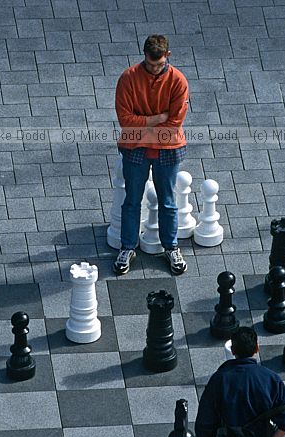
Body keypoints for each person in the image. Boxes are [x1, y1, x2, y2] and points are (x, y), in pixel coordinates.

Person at [112, 35, 190, 277]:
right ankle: (127, 247)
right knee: (132, 200)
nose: (155, 69)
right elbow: (125, 121)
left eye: (159, 64)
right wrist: (157, 119)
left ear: (168, 56)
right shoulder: (128, 78)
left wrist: (142, 126)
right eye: (150, 64)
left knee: (167, 200)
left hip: (151, 146)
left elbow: (175, 122)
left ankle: (171, 247)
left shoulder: (178, 81)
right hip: (145, 146)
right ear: (144, 56)